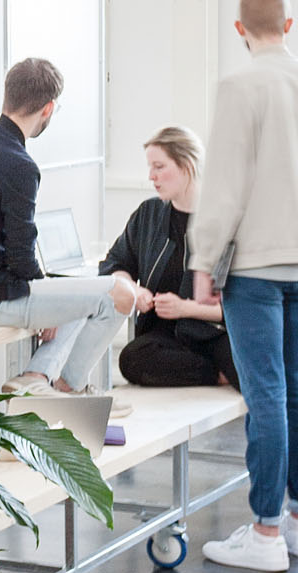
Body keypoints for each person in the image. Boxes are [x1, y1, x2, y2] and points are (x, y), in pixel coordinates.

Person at [0, 56, 142, 392]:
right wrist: (46, 309)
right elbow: (21, 256)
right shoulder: (19, 164)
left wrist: (50, 300)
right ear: (48, 109)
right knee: (121, 294)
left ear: (7, 95)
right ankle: (68, 386)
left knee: (78, 294)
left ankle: (38, 376)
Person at [189, 0, 298, 573]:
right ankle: (297, 518)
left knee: (268, 397)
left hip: (256, 267)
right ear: (290, 22)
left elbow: (225, 183)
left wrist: (204, 260)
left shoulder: (240, 87)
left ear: (239, 29)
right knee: (297, 393)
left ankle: (265, 531)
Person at [99, 126, 238, 391]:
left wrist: (185, 309)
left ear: (186, 165)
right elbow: (115, 264)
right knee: (131, 358)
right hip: (164, 340)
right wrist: (133, 288)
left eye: (159, 167)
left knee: (254, 367)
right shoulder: (149, 214)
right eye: (150, 167)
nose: (151, 176)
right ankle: (215, 375)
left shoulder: (223, 221)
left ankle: (214, 370)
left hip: (213, 333)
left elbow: (238, 305)